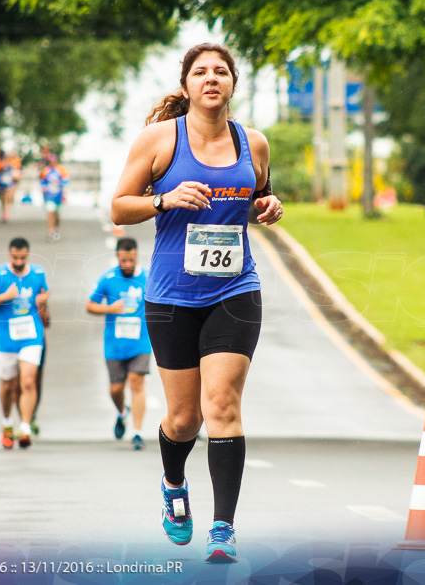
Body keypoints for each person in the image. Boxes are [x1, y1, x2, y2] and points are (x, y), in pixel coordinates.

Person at [110, 43, 283, 563]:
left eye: (221, 72)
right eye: (201, 72)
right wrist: (164, 198)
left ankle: (224, 528)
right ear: (186, 85)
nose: (212, 79)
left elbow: (257, 197)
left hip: (234, 290)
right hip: (171, 296)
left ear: (233, 84)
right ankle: (173, 481)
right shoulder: (160, 140)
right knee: (185, 419)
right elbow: (120, 206)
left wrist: (269, 206)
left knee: (222, 406)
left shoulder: (253, 143)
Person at [0, 238, 48, 449]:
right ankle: (7, 422)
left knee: (28, 382)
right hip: (6, 338)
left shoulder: (38, 273)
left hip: (31, 336)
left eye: (23, 257)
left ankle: (25, 427)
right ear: (9, 255)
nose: (19, 261)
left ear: (28, 254)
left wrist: (44, 303)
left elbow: (45, 294)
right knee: (8, 385)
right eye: (15, 257)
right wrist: (4, 296)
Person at [86, 237, 152, 451]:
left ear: (136, 255)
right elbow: (90, 305)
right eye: (123, 260)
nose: (127, 264)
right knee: (116, 389)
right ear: (117, 257)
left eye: (130, 260)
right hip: (114, 344)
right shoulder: (107, 278)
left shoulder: (148, 277)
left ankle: (138, 432)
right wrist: (109, 309)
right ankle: (122, 412)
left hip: (140, 342)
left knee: (136, 382)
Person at [40, 153, 70, 241]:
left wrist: (60, 184)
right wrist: (44, 189)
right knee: (50, 213)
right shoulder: (45, 170)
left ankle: (56, 229)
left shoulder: (61, 170)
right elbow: (42, 181)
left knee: (57, 215)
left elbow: (66, 181)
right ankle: (51, 231)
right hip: (49, 196)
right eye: (50, 161)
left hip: (59, 196)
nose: (52, 162)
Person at [0, 151, 19, 223]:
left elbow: (14, 174)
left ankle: (6, 215)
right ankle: (3, 214)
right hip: (1, 184)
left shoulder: (10, 164)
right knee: (3, 200)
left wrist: (14, 184)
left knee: (6, 199)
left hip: (8, 184)